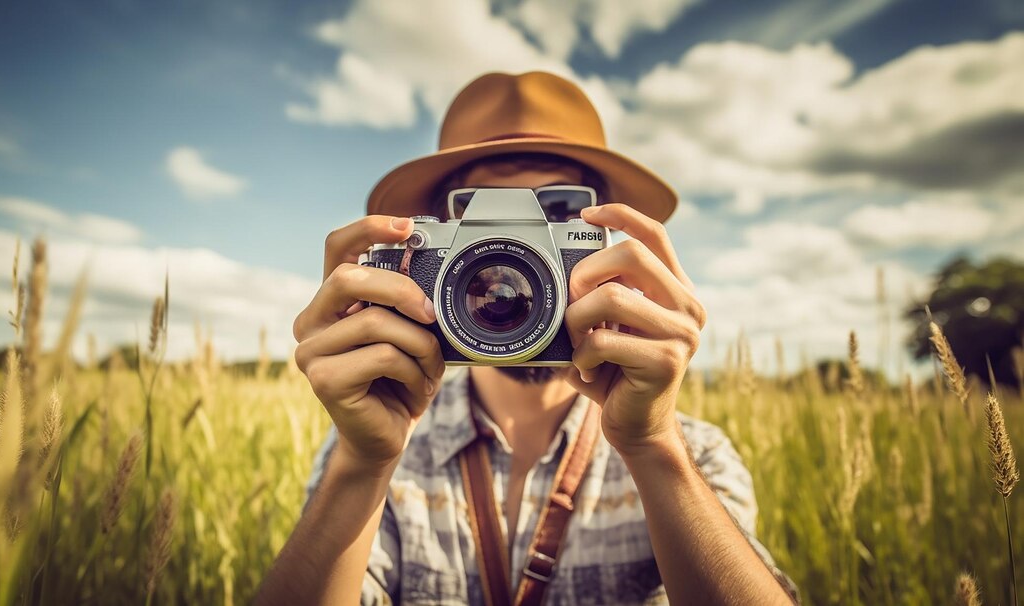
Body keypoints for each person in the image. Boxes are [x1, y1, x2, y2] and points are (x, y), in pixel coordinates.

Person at [257, 71, 799, 605]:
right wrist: (362, 467)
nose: (516, 256)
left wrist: (654, 447)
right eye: (476, 215)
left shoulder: (694, 454)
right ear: (425, 246)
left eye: (558, 213)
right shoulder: (376, 441)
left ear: (612, 240)